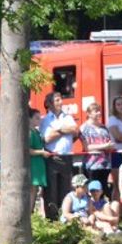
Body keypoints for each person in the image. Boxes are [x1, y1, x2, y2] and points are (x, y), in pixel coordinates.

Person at [40, 92, 78, 222]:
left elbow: (75, 130)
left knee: (65, 189)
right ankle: (52, 219)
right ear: (50, 103)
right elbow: (46, 138)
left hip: (66, 157)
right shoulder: (45, 120)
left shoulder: (68, 117)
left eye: (60, 99)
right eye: (57, 100)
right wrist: (64, 130)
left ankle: (64, 217)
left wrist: (57, 130)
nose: (60, 102)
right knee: (51, 190)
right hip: (52, 158)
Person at [79, 103, 115, 191]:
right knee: (93, 190)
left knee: (104, 189)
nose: (99, 113)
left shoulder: (103, 127)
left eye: (99, 111)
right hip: (92, 165)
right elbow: (87, 147)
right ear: (88, 113)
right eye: (96, 111)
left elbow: (109, 142)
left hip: (105, 164)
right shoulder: (84, 128)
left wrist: (110, 146)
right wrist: (105, 146)